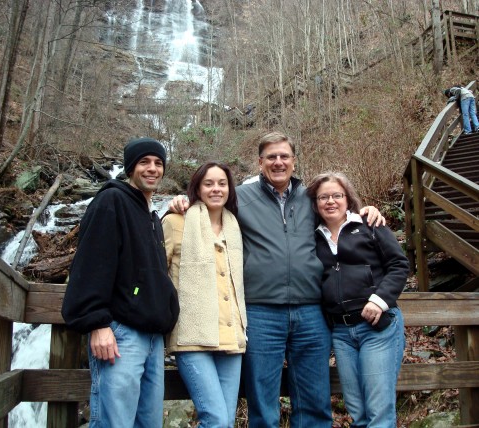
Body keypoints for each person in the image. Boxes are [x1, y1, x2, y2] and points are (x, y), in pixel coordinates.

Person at [169, 132, 385, 427]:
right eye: (271, 157)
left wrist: (365, 210)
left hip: (311, 310)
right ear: (260, 162)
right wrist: (180, 201)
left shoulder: (310, 197)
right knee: (263, 401)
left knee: (314, 400)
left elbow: (338, 212)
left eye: (284, 156)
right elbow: (208, 203)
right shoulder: (240, 197)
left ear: (294, 161)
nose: (278, 162)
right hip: (260, 312)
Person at [61, 137, 180, 428]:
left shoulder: (150, 214)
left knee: (147, 423)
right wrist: (97, 324)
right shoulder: (111, 201)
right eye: (144, 162)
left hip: (152, 337)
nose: (152, 169)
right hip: (120, 335)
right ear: (130, 167)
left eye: (158, 163)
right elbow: (92, 263)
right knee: (115, 422)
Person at [307, 171, 409, 428]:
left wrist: (380, 300)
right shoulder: (311, 236)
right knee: (358, 411)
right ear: (315, 203)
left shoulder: (369, 224)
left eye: (336, 195)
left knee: (378, 411)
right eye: (323, 197)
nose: (330, 201)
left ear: (347, 198)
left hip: (377, 327)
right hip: (341, 332)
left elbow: (399, 264)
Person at [162, 161, 247, 427]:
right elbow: (156, 274)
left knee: (227, 421)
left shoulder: (235, 224)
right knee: (216, 420)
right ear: (197, 187)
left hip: (231, 337)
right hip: (192, 338)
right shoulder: (176, 221)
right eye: (208, 183)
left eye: (222, 183)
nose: (216, 189)